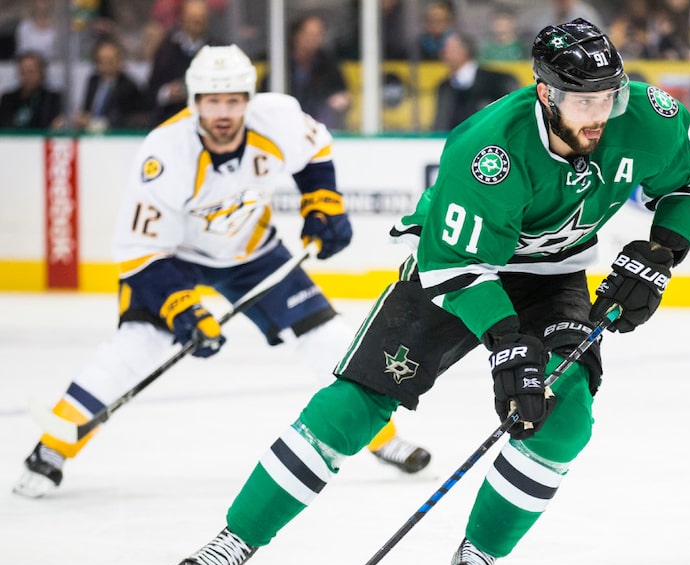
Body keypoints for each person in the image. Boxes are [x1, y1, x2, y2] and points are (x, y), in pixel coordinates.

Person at [168, 20, 690, 565]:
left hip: (552, 275)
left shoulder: (648, 116)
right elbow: (455, 265)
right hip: (456, 272)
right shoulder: (487, 150)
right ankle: (237, 537)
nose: (599, 113)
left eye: (608, 96)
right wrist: (507, 342)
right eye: (582, 100)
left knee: (564, 413)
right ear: (545, 93)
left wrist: (662, 252)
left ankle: (480, 549)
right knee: (357, 401)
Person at [12, 44, 431, 500]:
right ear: (194, 102)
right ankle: (53, 447)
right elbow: (138, 253)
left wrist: (322, 202)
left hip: (253, 252)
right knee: (136, 346)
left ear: (248, 99)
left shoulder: (278, 118)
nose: (223, 112)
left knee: (327, 338)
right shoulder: (164, 154)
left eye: (233, 100)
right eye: (212, 101)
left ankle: (380, 439)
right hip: (174, 260)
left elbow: (317, 151)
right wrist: (182, 308)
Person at [432, 32, 520, 131]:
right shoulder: (445, 87)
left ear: (464, 51)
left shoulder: (497, 80)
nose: (444, 53)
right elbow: (441, 122)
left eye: (448, 49)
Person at [147, 0, 213, 127]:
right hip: (171, 120)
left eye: (200, 20)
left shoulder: (217, 49)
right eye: (192, 19)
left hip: (207, 123)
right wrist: (167, 92)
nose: (196, 24)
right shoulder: (165, 50)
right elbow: (151, 90)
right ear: (182, 19)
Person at [287, 13, 351, 131]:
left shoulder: (329, 64)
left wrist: (339, 102)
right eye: (309, 34)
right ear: (296, 36)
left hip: (320, 127)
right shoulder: (281, 64)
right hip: (287, 127)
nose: (313, 39)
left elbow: (342, 93)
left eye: (318, 35)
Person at [73, 36, 150, 132]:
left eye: (110, 61)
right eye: (101, 61)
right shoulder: (93, 81)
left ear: (120, 61)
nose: (106, 66)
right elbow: (86, 109)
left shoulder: (128, 87)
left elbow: (124, 119)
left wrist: (95, 123)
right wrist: (80, 118)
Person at [0, 50, 63, 129]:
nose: (27, 77)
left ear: (41, 73)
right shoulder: (8, 98)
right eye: (23, 72)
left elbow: (49, 125)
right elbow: (5, 126)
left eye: (31, 72)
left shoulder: (52, 99)